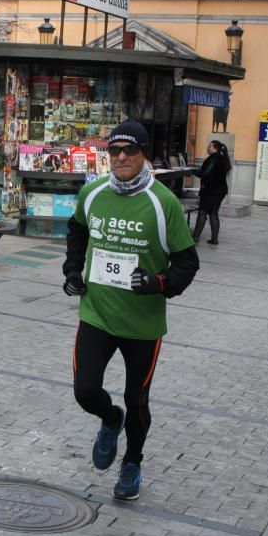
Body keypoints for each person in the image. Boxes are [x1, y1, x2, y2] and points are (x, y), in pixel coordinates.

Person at [63, 120, 199, 501]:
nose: (121, 157)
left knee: (137, 399)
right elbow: (77, 232)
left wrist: (159, 284)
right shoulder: (91, 193)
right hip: (97, 314)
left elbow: (188, 262)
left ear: (144, 155)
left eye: (131, 151)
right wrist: (73, 271)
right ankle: (110, 419)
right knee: (85, 391)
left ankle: (132, 462)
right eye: (114, 151)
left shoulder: (163, 202)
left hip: (143, 323)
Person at [192, 140, 231, 245]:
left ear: (215, 149)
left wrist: (194, 171)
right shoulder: (223, 159)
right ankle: (214, 239)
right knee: (213, 213)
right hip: (220, 190)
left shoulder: (212, 159)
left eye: (210, 147)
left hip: (210, 190)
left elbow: (205, 173)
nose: (208, 148)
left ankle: (195, 237)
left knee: (202, 212)